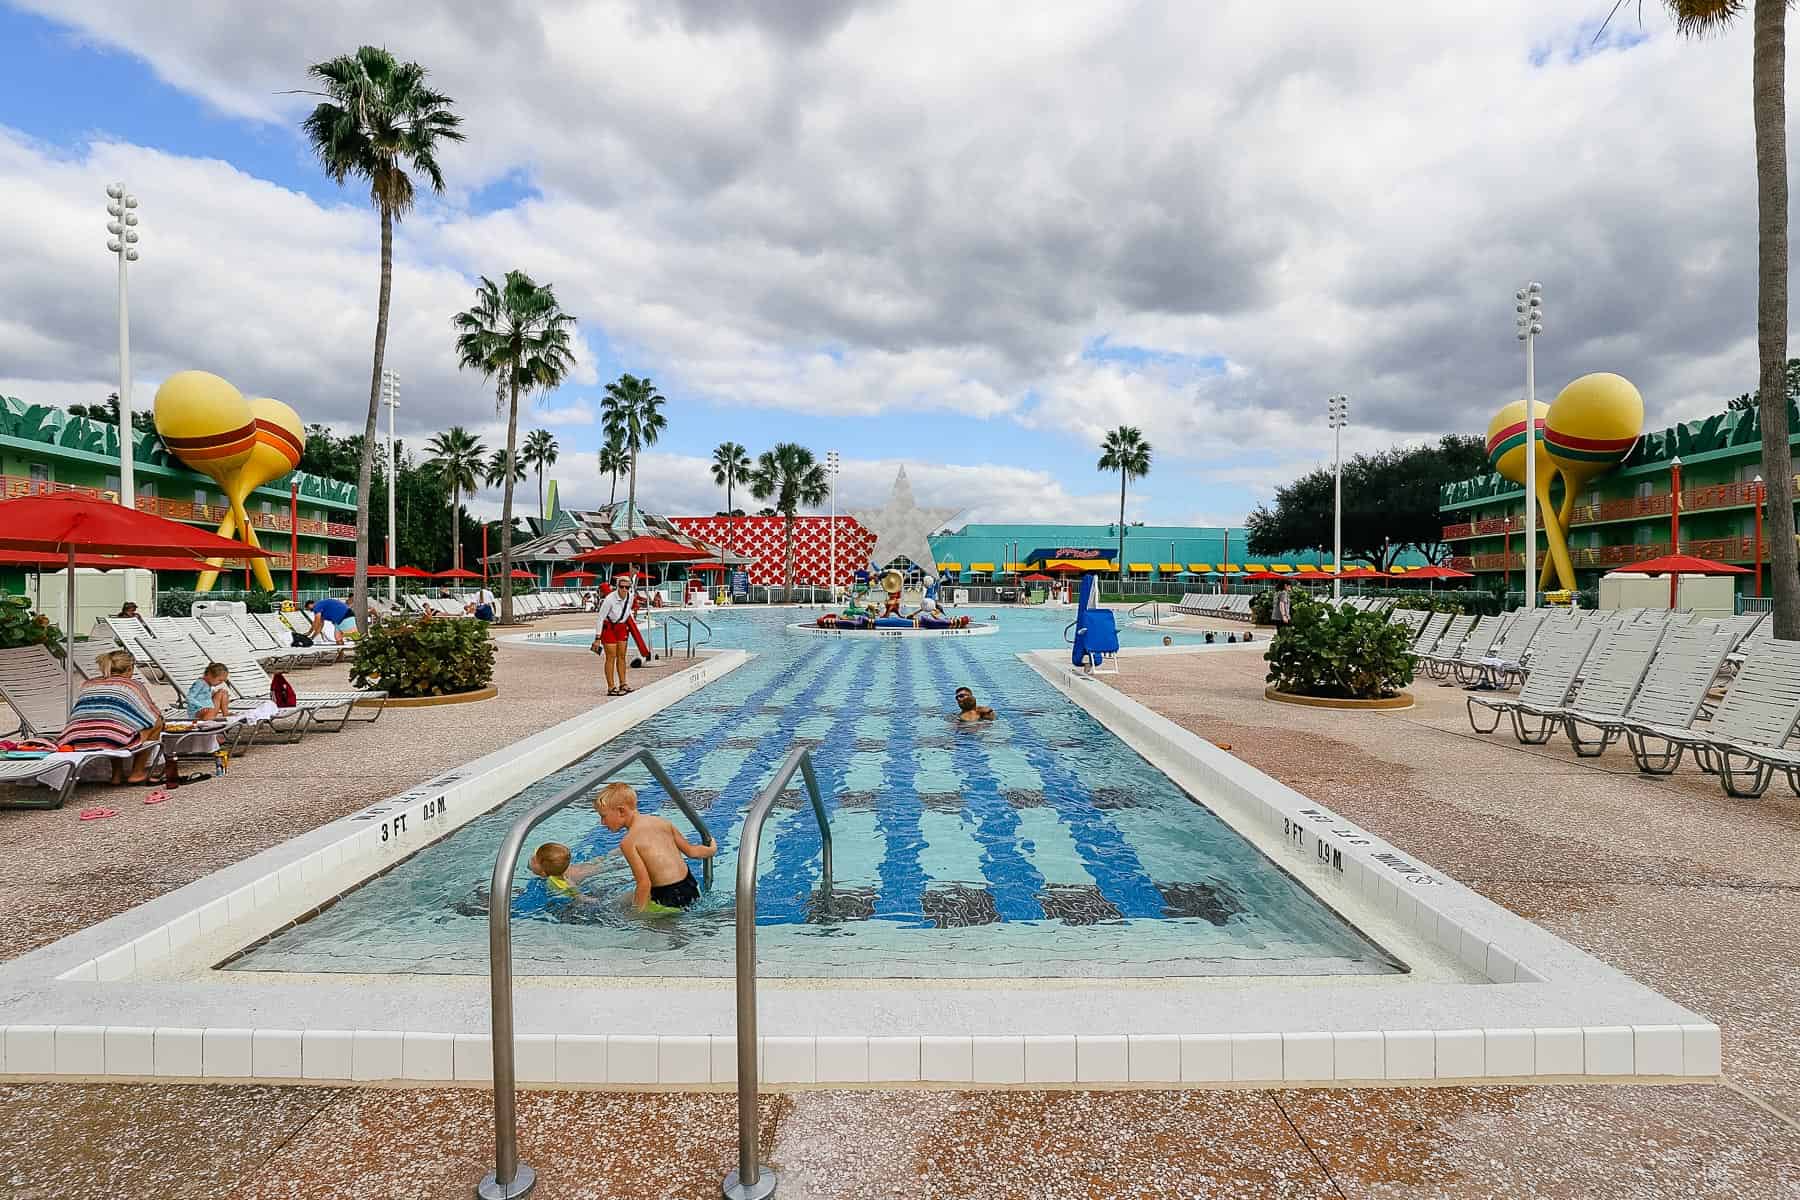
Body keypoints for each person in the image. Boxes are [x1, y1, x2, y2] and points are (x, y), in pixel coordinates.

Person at [594, 781, 714, 911]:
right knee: (626, 898)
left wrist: (636, 916)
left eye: (603, 816)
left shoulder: (629, 842)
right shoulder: (662, 822)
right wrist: (712, 849)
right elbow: (692, 852)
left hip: (668, 897)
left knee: (627, 913)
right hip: (690, 886)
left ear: (621, 811)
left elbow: (644, 884)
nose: (602, 822)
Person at [60, 650, 164, 784]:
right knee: (155, 722)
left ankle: (116, 775)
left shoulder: (89, 684)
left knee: (116, 726)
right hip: (110, 739)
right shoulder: (132, 685)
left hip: (76, 738)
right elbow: (151, 714)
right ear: (130, 668)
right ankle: (137, 773)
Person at [592, 575, 634, 696]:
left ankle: (623, 683)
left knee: (622, 656)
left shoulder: (630, 597)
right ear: (617, 587)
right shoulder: (609, 599)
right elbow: (600, 618)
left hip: (621, 627)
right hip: (609, 627)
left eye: (627, 587)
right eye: (622, 587)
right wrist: (597, 638)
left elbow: (626, 612)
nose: (624, 590)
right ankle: (611, 687)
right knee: (611, 657)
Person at [526, 840, 604, 901]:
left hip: (582, 874)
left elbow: (580, 897)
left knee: (604, 867)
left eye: (534, 859)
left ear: (543, 873)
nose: (532, 857)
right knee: (599, 861)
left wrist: (592, 900)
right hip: (579, 867)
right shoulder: (555, 865)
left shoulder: (562, 884)